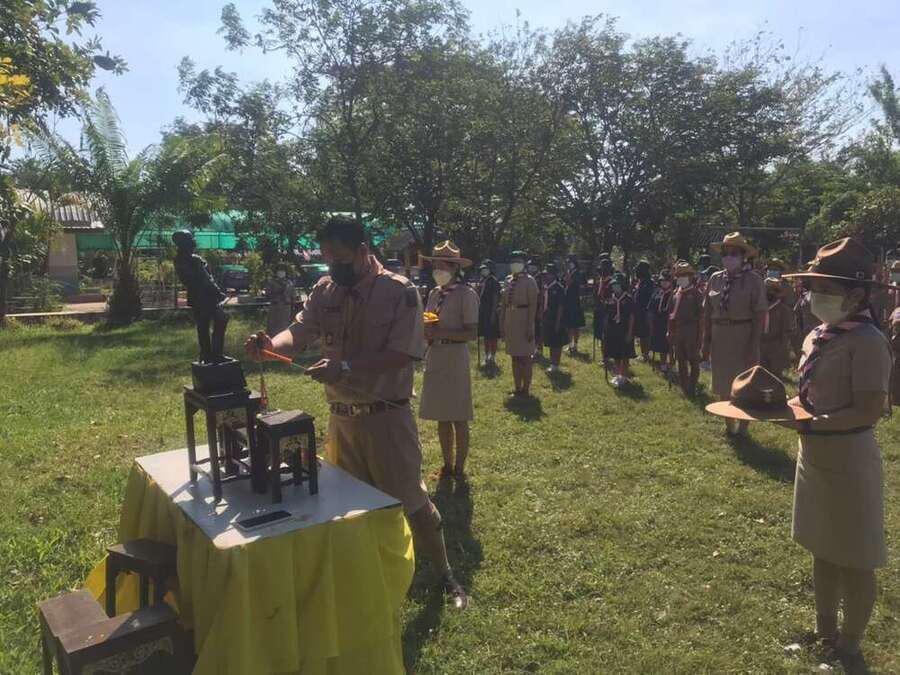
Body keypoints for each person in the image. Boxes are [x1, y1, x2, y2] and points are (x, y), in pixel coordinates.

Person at [244, 216, 468, 609]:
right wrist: (270, 344)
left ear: (363, 251)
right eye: (327, 257)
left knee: (412, 501)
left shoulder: (399, 292)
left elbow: (403, 353)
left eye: (340, 257)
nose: (333, 265)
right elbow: (299, 330)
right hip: (341, 420)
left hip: (387, 418)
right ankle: (364, 581)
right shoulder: (326, 289)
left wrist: (345, 367)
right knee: (345, 507)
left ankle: (446, 575)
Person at [778, 237, 893, 662]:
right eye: (814, 287)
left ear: (857, 295)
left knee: (855, 557)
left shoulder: (868, 341)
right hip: (814, 455)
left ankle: (849, 645)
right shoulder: (818, 335)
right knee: (822, 547)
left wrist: (810, 423)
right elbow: (809, 397)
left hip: (848, 458)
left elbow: (867, 410)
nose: (816, 296)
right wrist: (779, 407)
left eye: (827, 289)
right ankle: (824, 632)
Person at [419, 241, 479, 481]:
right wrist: (426, 332)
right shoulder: (434, 294)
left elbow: (471, 333)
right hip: (436, 355)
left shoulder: (466, 295)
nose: (438, 270)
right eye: (435, 265)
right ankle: (447, 464)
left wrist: (440, 333)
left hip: (455, 356)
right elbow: (428, 321)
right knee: (441, 414)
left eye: (442, 265)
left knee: (458, 415)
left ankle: (459, 467)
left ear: (454, 268)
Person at [701, 232, 767, 436]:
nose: (728, 257)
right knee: (723, 382)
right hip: (719, 335)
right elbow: (707, 311)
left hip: (743, 334)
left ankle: (743, 427)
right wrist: (705, 340)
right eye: (725, 253)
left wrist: (753, 344)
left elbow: (759, 314)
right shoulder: (715, 279)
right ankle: (729, 424)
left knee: (744, 382)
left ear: (743, 256)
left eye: (734, 253)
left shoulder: (754, 280)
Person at [172, 229, 229, 364]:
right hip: (207, 296)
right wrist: (219, 293)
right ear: (186, 242)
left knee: (202, 326)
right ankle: (216, 354)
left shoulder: (178, 260)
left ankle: (206, 355)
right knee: (221, 320)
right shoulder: (194, 259)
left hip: (195, 297)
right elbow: (206, 279)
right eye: (191, 239)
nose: (194, 241)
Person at [503, 251, 539, 396]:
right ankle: (517, 387)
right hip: (511, 320)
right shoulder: (508, 280)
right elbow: (504, 303)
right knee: (514, 357)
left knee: (525, 357)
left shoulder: (530, 281)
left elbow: (533, 305)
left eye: (518, 261)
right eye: (513, 261)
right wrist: (503, 323)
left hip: (524, 320)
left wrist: (530, 326)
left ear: (524, 264)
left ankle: (526, 388)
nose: (515, 264)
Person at [668, 261, 702, 397]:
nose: (680, 278)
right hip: (678, 330)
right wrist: (670, 330)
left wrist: (700, 335)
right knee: (680, 360)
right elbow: (670, 313)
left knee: (693, 360)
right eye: (678, 276)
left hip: (691, 330)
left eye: (683, 276)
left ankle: (692, 386)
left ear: (690, 277)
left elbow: (701, 316)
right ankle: (684, 387)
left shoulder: (696, 293)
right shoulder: (675, 294)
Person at [603, 272, 636, 387]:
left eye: (617, 284)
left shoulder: (629, 299)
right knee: (616, 354)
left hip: (624, 330)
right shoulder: (610, 299)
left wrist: (630, 332)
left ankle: (624, 376)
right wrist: (605, 330)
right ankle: (618, 374)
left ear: (622, 285)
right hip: (613, 330)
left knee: (625, 354)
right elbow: (607, 315)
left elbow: (631, 317)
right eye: (613, 285)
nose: (615, 287)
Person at [759, 277, 796, 377]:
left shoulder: (783, 310)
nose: (769, 293)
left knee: (775, 375)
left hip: (776, 345)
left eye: (771, 291)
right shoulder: (759, 308)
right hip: (760, 345)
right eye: (766, 290)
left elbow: (786, 332)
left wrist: (782, 349)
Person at [541, 262, 567, 373]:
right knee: (551, 342)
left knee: (557, 343)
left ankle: (556, 364)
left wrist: (558, 322)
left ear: (553, 275)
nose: (546, 276)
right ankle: (552, 363)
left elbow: (561, 307)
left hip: (556, 319)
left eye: (548, 274)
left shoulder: (559, 288)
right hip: (547, 318)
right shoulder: (546, 288)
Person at [648, 268, 674, 374]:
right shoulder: (657, 292)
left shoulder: (674, 294)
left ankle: (670, 364)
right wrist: (650, 319)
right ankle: (662, 363)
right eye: (663, 280)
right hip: (657, 321)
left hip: (668, 321)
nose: (664, 282)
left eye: (666, 280)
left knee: (669, 344)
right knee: (659, 343)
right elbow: (651, 306)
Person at [477, 259, 502, 367]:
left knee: (493, 335)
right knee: (486, 335)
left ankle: (493, 356)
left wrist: (493, 314)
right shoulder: (482, 281)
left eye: (486, 269)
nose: (483, 271)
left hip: (491, 311)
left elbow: (496, 299)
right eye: (482, 269)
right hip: (483, 311)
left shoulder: (494, 282)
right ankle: (487, 355)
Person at [563, 255, 586, 355]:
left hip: (576, 302)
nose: (568, 264)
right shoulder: (569, 272)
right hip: (568, 301)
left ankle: (575, 345)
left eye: (570, 262)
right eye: (567, 262)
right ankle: (570, 344)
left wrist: (566, 272)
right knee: (568, 325)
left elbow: (570, 282)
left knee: (575, 326)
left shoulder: (578, 273)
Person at [632, 260, 654, 361]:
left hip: (646, 312)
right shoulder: (640, 282)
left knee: (646, 334)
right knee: (641, 333)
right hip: (638, 311)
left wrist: (648, 312)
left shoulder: (649, 283)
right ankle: (643, 354)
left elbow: (650, 298)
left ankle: (646, 354)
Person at [264, 266, 296, 336]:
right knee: (272, 327)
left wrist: (293, 306)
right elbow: (267, 295)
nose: (281, 272)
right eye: (279, 271)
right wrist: (277, 293)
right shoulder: (271, 282)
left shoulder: (289, 283)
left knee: (284, 327)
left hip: (286, 307)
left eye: (282, 271)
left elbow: (293, 295)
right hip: (275, 306)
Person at [593, 257, 614, 359]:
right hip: (599, 310)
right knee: (600, 334)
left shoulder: (612, 282)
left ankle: (607, 356)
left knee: (606, 334)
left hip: (608, 312)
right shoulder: (600, 281)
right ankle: (604, 356)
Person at [529, 259, 545, 359]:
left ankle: (538, 349)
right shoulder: (531, 277)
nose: (530, 267)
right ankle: (534, 348)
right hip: (531, 305)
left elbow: (541, 294)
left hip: (538, 306)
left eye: (532, 266)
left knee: (538, 328)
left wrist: (540, 309)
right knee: (533, 327)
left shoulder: (539, 278)